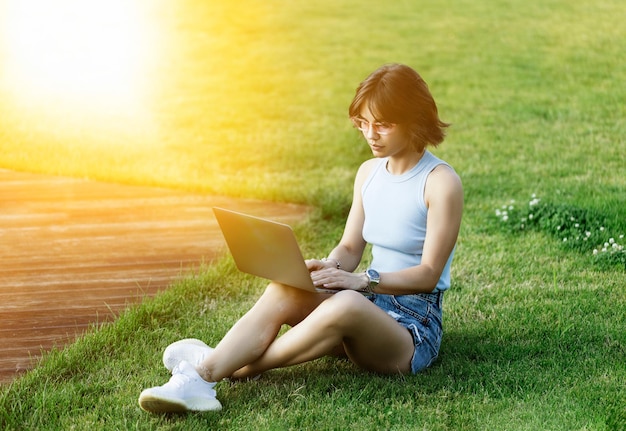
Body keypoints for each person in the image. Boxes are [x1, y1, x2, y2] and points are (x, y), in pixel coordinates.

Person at [138, 63, 463, 413]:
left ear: (415, 119)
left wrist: (358, 281)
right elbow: (352, 246)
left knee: (348, 303)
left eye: (383, 124)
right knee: (286, 288)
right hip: (368, 306)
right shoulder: (369, 172)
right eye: (363, 123)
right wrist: (331, 267)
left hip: (413, 329)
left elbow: (429, 274)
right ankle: (211, 370)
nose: (371, 134)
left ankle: (212, 369)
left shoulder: (440, 183)